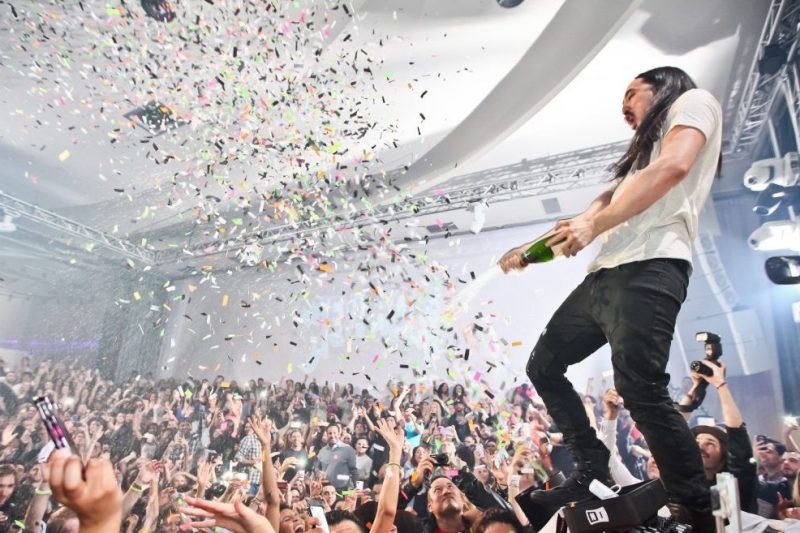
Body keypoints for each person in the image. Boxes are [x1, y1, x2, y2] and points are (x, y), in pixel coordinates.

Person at [500, 66, 722, 531]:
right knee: (542, 365)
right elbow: (589, 215)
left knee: (640, 387)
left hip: (652, 266)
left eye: (632, 92)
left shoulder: (693, 102)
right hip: (605, 276)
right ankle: (591, 465)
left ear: (662, 87)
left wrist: (592, 226)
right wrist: (530, 251)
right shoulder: (639, 162)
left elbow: (675, 164)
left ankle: (693, 513)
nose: (623, 104)